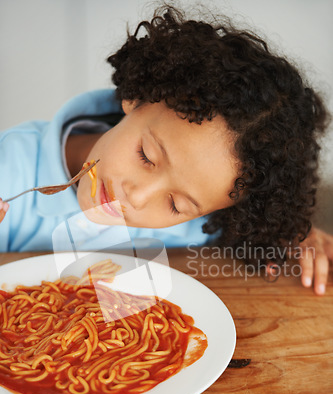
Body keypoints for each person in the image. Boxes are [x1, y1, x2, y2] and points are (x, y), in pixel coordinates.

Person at [0, 5, 332, 294]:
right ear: (136, 95)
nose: (137, 197)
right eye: (146, 156)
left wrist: (293, 237)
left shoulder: (201, 226)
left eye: (175, 204)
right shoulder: (8, 169)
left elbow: (251, 236)